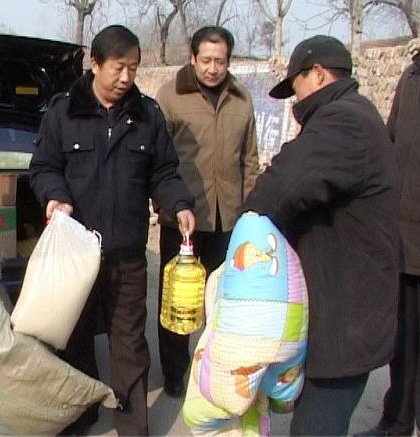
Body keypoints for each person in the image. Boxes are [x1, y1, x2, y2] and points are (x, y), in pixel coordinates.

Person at [29, 25, 195, 436]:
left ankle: (132, 426)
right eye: (118, 67)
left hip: (126, 254)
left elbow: (164, 172)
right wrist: (55, 196)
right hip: (76, 255)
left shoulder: (147, 115)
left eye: (133, 69)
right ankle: (80, 413)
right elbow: (44, 167)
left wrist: (179, 203)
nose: (126, 77)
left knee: (129, 344)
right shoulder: (63, 113)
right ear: (95, 63)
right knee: (74, 339)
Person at [240, 35, 399, 435]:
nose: (295, 101)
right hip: (345, 313)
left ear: (317, 74)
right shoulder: (354, 114)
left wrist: (244, 236)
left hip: (346, 323)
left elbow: (280, 187)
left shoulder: (343, 122)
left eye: (295, 87)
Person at [154, 25, 260, 398]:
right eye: (206, 60)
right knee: (178, 299)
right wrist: (164, 204)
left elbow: (250, 160)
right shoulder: (170, 97)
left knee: (222, 298)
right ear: (193, 59)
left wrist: (251, 211)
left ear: (229, 62)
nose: (213, 68)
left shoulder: (241, 100)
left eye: (220, 61)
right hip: (182, 217)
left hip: (228, 216)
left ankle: (214, 366)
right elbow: (157, 158)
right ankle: (174, 371)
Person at [356, 38, 420, 437]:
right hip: (402, 237)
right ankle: (396, 421)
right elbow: (391, 142)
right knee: (404, 341)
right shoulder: (411, 76)